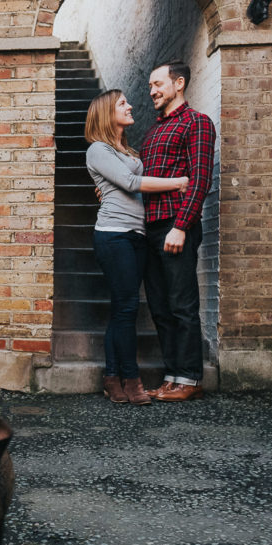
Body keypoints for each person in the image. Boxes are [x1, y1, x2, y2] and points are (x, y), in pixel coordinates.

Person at [85, 89, 189, 405]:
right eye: (122, 103)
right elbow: (131, 185)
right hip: (113, 235)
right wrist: (179, 182)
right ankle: (131, 380)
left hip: (137, 235)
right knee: (127, 308)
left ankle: (111, 378)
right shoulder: (98, 150)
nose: (130, 106)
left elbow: (131, 186)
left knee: (122, 308)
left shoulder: (128, 151)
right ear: (106, 113)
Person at [139, 61, 216, 402]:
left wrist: (181, 227)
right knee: (160, 306)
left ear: (179, 83)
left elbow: (199, 179)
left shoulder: (196, 123)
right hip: (150, 228)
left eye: (158, 84)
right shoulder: (154, 131)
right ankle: (172, 376)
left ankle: (190, 379)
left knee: (182, 305)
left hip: (175, 225)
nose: (152, 90)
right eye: (151, 85)